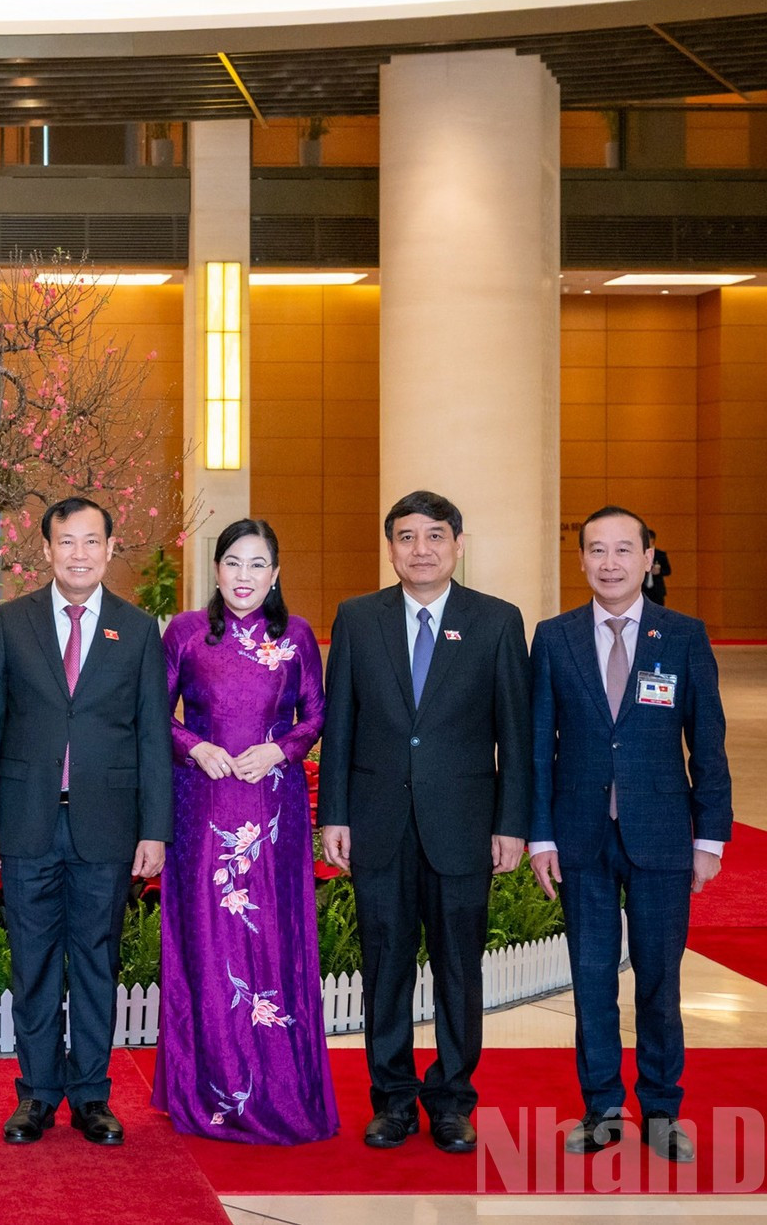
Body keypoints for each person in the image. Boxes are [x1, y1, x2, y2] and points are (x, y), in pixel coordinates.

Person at [317, 489, 530, 1156]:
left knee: (460, 968)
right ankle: (393, 1101)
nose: (421, 549)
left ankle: (452, 1101)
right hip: (379, 822)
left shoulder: (496, 622)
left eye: (434, 536)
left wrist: (513, 822)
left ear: (457, 545)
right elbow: (340, 726)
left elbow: (515, 737)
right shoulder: (358, 618)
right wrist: (335, 815)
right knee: (385, 967)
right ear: (391, 548)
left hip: (463, 823)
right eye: (406, 537)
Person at [529, 506, 731, 1164]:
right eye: (596, 550)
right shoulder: (554, 638)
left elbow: (708, 744)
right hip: (580, 833)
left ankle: (664, 1109)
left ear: (649, 558)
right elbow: (536, 749)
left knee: (658, 980)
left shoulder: (683, 636)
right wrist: (539, 837)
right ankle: (601, 1109)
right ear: (581, 559)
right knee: (589, 978)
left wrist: (710, 840)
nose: (609, 562)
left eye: (623, 550)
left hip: (662, 834)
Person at [0, 496, 171, 1147]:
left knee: (96, 960)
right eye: (67, 542)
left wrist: (155, 829)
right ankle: (35, 1095)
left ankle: (92, 1095)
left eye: (92, 542)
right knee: (31, 961)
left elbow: (152, 734)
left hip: (108, 825)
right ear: (47, 550)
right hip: (27, 819)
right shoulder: (9, 623)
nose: (80, 553)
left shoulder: (139, 629)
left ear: (110, 549)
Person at [152, 519, 337, 1144]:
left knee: (272, 939)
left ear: (276, 573)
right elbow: (150, 713)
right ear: (216, 568)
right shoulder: (185, 632)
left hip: (273, 812)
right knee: (209, 941)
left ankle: (280, 1086)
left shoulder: (298, 637)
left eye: (258, 565)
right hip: (202, 808)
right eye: (233, 563)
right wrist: (193, 745)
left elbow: (316, 713)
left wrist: (282, 750)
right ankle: (208, 1087)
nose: (244, 577)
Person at [643, 544, 673, 609]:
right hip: (643, 589)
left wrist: (659, 571)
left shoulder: (660, 554)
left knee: (659, 611)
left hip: (657, 589)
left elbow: (668, 571)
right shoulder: (641, 553)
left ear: (652, 540)